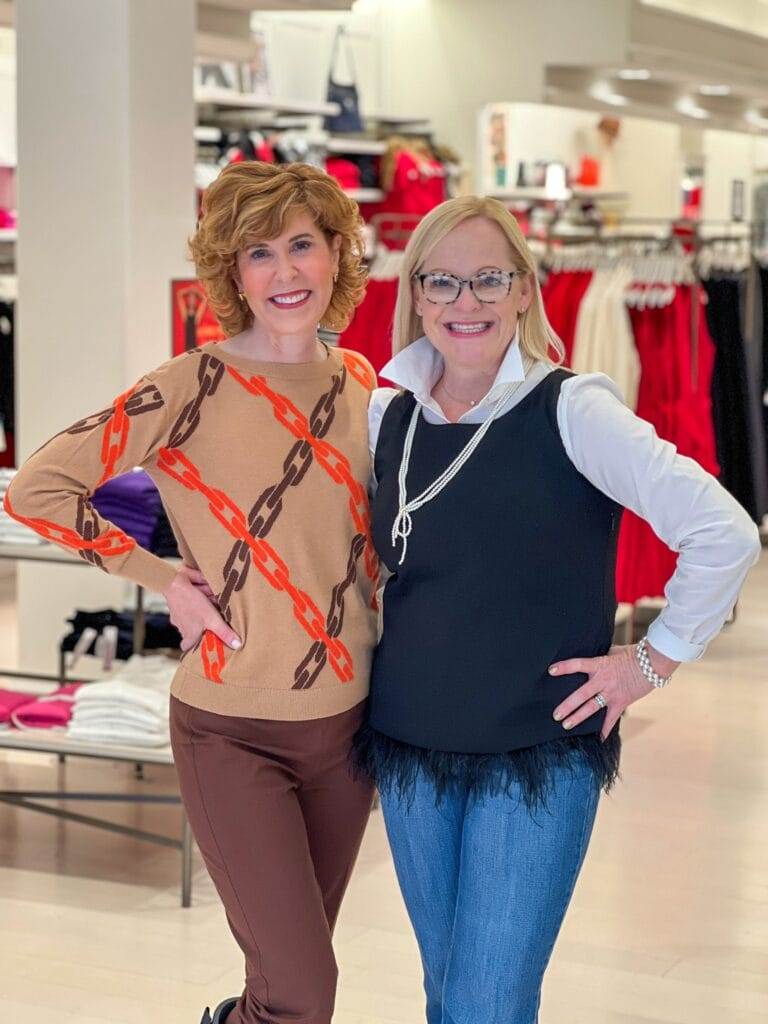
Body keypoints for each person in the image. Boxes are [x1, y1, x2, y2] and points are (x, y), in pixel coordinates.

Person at [354, 195, 761, 1024]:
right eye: (442, 282)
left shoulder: (574, 408)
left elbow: (723, 530)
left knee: (487, 1002)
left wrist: (651, 659)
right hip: (409, 744)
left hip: (534, 750)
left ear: (523, 291)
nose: (464, 303)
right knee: (445, 991)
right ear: (416, 295)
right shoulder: (385, 409)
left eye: (487, 280)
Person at [4, 162, 380, 1024]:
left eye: (301, 246)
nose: (285, 273)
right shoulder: (186, 385)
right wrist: (160, 577)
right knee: (304, 994)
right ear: (232, 274)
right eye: (258, 253)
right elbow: (38, 488)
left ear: (335, 256)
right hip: (232, 730)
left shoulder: (363, 382)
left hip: (352, 728)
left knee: (287, 981)